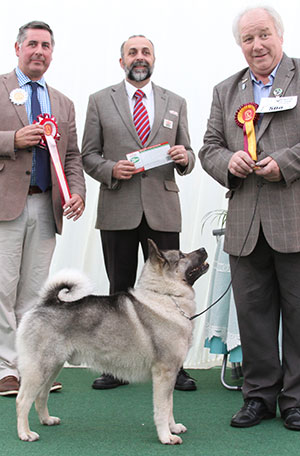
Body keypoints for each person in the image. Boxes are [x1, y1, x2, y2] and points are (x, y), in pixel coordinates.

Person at [199, 5, 300, 430]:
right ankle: (258, 396)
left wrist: (286, 163)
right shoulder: (226, 90)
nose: (256, 45)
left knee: (298, 315)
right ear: (239, 45)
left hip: (292, 219)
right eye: (247, 39)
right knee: (253, 316)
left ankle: (295, 401)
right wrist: (228, 162)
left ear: (280, 34)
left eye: (263, 35)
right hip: (244, 224)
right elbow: (208, 147)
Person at [82, 35, 196, 391]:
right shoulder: (100, 101)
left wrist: (184, 158)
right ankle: (117, 367)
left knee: (170, 292)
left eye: (145, 51)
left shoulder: (175, 102)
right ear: (122, 61)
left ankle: (174, 366)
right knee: (120, 289)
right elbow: (88, 154)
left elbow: (190, 154)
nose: (139, 57)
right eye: (132, 52)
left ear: (154, 59)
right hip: (119, 207)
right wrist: (111, 170)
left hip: (162, 208)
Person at [0, 21, 86, 396]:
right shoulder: (1, 88)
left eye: (46, 45)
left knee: (35, 294)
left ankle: (29, 366)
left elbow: (73, 157)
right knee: (2, 288)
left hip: (45, 206)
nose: (39, 51)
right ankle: (4, 367)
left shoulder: (63, 103)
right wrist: (11, 139)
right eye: (32, 44)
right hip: (6, 205)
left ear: (52, 52)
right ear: (17, 48)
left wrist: (77, 192)